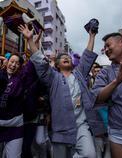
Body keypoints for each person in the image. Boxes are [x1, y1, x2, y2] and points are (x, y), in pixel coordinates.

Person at [18, 23, 98, 158]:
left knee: (90, 154)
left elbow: (87, 56)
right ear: (57, 64)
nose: (65, 57)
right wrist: (30, 40)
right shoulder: (53, 77)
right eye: (62, 58)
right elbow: (40, 62)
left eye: (67, 57)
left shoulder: (79, 74)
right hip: (61, 127)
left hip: (81, 125)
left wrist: (92, 35)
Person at [0, 53, 37, 158]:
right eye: (12, 61)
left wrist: (31, 42)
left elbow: (32, 63)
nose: (13, 65)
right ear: (6, 62)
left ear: (20, 67)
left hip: (15, 126)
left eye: (17, 63)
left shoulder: (21, 79)